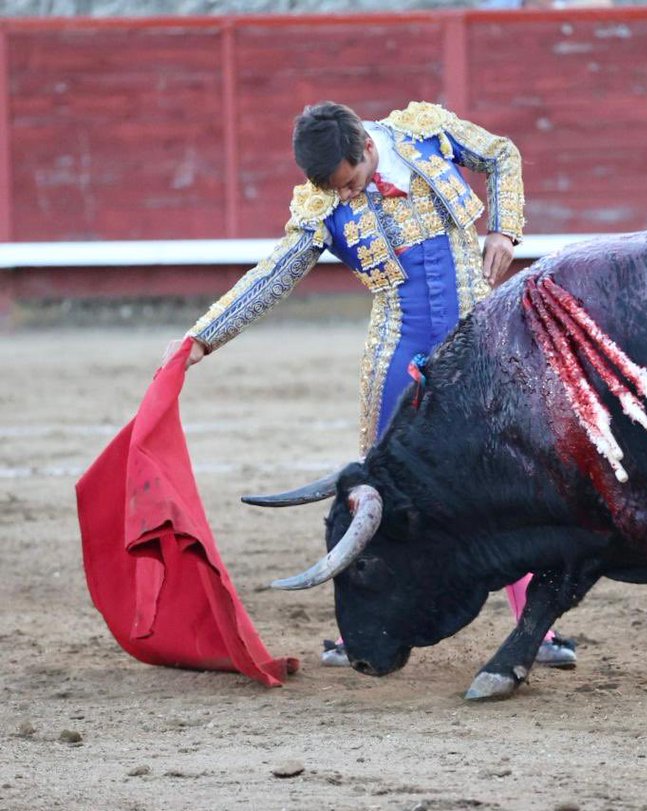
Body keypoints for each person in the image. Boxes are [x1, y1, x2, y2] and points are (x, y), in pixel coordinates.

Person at [170, 101, 576, 670]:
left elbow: (502, 155)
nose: (348, 197)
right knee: (380, 492)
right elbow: (273, 275)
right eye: (337, 191)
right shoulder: (321, 203)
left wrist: (505, 230)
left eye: (352, 182)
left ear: (364, 144)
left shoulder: (424, 133)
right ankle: (359, 627)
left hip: (481, 340)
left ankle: (539, 629)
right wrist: (201, 338)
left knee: (511, 475)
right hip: (398, 351)